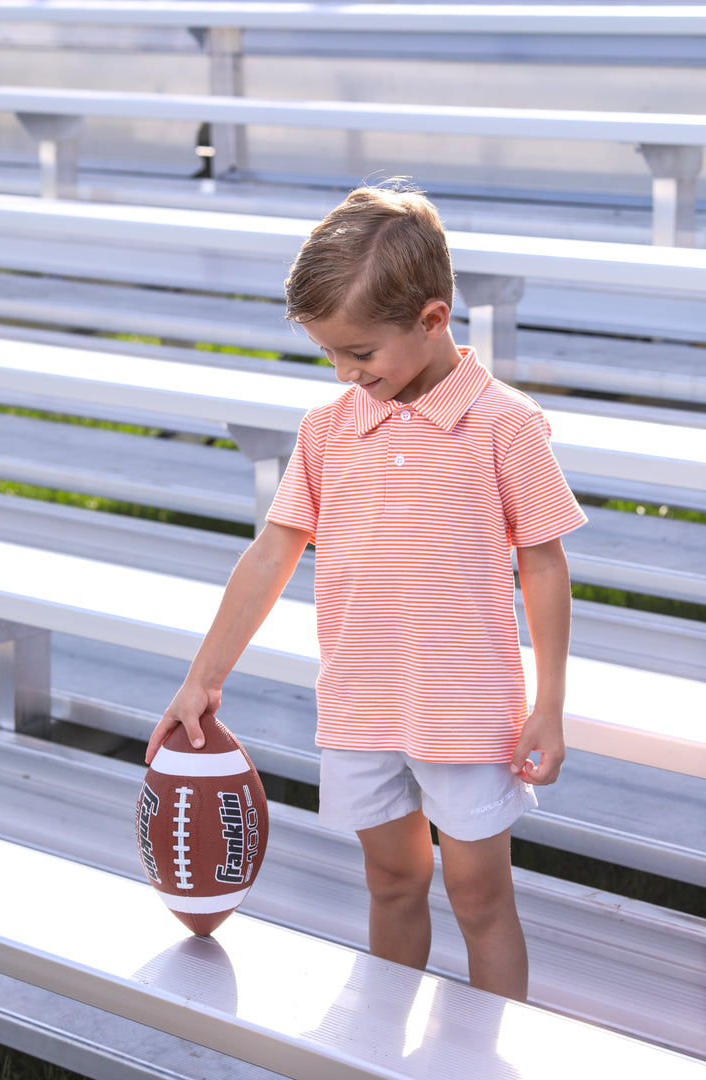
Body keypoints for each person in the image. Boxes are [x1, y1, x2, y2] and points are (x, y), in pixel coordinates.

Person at [146, 181, 587, 1002]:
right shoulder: (328, 428)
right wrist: (202, 678)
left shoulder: (507, 425)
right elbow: (271, 553)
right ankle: (383, 1056)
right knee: (390, 883)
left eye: (360, 353)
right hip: (360, 704)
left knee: (481, 900)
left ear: (432, 318)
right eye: (331, 356)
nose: (347, 373)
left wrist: (550, 702)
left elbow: (545, 565)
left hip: (466, 709)